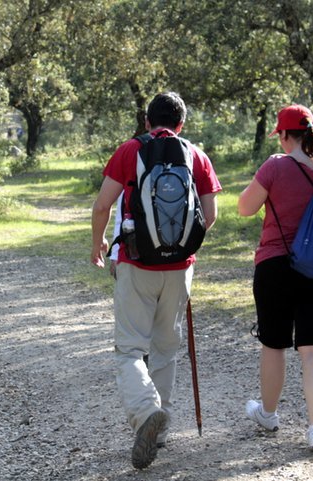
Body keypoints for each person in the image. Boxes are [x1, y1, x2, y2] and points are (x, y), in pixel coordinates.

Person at [91, 92, 221, 470]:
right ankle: (159, 431)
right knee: (165, 348)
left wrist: (98, 243)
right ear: (181, 125)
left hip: (136, 263)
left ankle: (147, 413)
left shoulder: (130, 150)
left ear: (147, 122)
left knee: (130, 349)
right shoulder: (195, 154)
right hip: (180, 268)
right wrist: (179, 245)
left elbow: (103, 205)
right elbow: (209, 215)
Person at [237, 104, 313, 452]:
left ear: (286, 135)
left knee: (274, 345)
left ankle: (269, 414)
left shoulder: (275, 166)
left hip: (276, 267)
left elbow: (245, 207)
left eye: (281, 136)